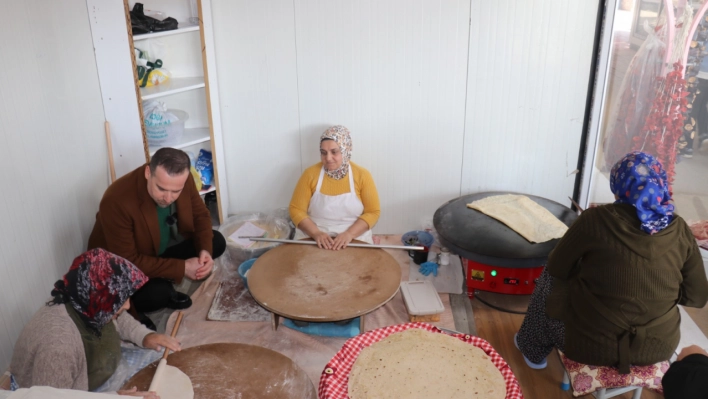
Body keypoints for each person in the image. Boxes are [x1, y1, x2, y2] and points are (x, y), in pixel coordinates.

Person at [514, 151, 708, 374]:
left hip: (587, 346)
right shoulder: (680, 229)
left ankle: (532, 349)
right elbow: (697, 296)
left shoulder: (594, 220)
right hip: (659, 347)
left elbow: (558, 266)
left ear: (619, 184)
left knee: (550, 276)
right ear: (660, 183)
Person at [10, 249, 181, 395]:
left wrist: (145, 336)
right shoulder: (57, 348)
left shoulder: (88, 301)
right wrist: (112, 397)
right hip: (80, 392)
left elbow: (119, 318)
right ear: (100, 299)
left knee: (168, 361)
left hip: (106, 367)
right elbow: (55, 397)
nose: (128, 306)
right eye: (122, 300)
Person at [88, 148, 226, 328]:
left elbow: (200, 216)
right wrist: (182, 268)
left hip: (156, 247)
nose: (168, 198)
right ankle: (142, 304)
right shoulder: (116, 201)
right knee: (157, 295)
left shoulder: (183, 179)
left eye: (176, 191)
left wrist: (204, 251)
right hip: (122, 265)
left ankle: (166, 280)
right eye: (161, 188)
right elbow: (127, 261)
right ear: (148, 173)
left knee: (216, 242)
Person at [289, 125, 380, 250]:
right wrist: (316, 233)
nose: (328, 158)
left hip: (354, 236)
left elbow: (373, 212)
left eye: (334, 152)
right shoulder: (310, 174)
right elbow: (296, 209)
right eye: (323, 153)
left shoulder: (362, 175)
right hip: (313, 235)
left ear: (345, 150)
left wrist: (349, 234)